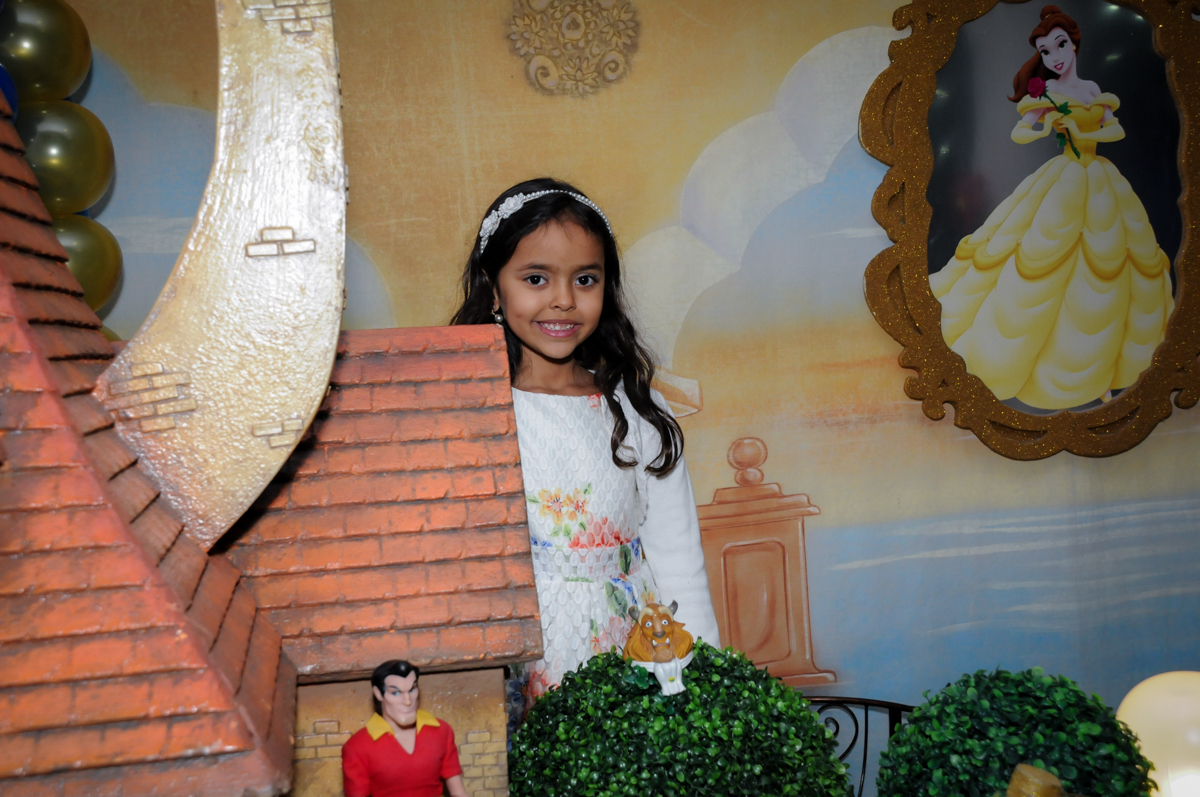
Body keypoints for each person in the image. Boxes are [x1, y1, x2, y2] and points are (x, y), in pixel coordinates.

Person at [451, 177, 720, 696]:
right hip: (514, 662)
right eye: (535, 278)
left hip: (632, 658)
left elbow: (678, 560)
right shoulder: (469, 412)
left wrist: (703, 684)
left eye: (585, 280)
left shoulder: (638, 409)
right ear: (493, 287)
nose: (563, 301)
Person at [929, 5, 1174, 410]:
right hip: (1064, 179)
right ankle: (1043, 362)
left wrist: (1079, 128)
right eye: (1045, 51)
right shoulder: (1051, 94)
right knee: (1046, 258)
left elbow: (1115, 127)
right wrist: (1046, 125)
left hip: (1098, 177)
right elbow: (1021, 131)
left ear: (1073, 44)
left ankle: (1108, 369)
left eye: (1059, 45)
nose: (1054, 56)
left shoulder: (1092, 91)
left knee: (1111, 262)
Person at [341, 660, 467, 797]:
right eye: (395, 692)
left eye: (412, 690)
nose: (407, 701)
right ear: (378, 694)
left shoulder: (441, 731)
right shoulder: (357, 747)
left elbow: (459, 792)